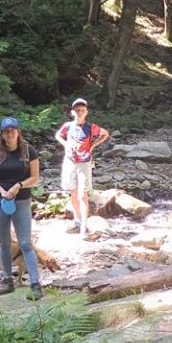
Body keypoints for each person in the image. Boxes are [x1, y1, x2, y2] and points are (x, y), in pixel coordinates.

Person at [0, 116, 43, 300]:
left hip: (22, 201)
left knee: (25, 243)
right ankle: (7, 280)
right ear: (2, 134)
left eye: (13, 130)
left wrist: (18, 185)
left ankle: (35, 284)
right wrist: (2, 191)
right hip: (0, 201)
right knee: (4, 242)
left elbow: (35, 177)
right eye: (6, 131)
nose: (10, 133)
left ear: (18, 131)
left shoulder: (28, 150)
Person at [55, 98, 110, 239]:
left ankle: (84, 227)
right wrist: (66, 144)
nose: (79, 112)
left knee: (82, 195)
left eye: (82, 110)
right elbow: (58, 135)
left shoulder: (91, 127)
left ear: (86, 112)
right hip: (70, 161)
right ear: (73, 112)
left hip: (84, 163)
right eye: (77, 110)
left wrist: (93, 146)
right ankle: (77, 221)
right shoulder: (68, 126)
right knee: (73, 193)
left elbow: (105, 134)